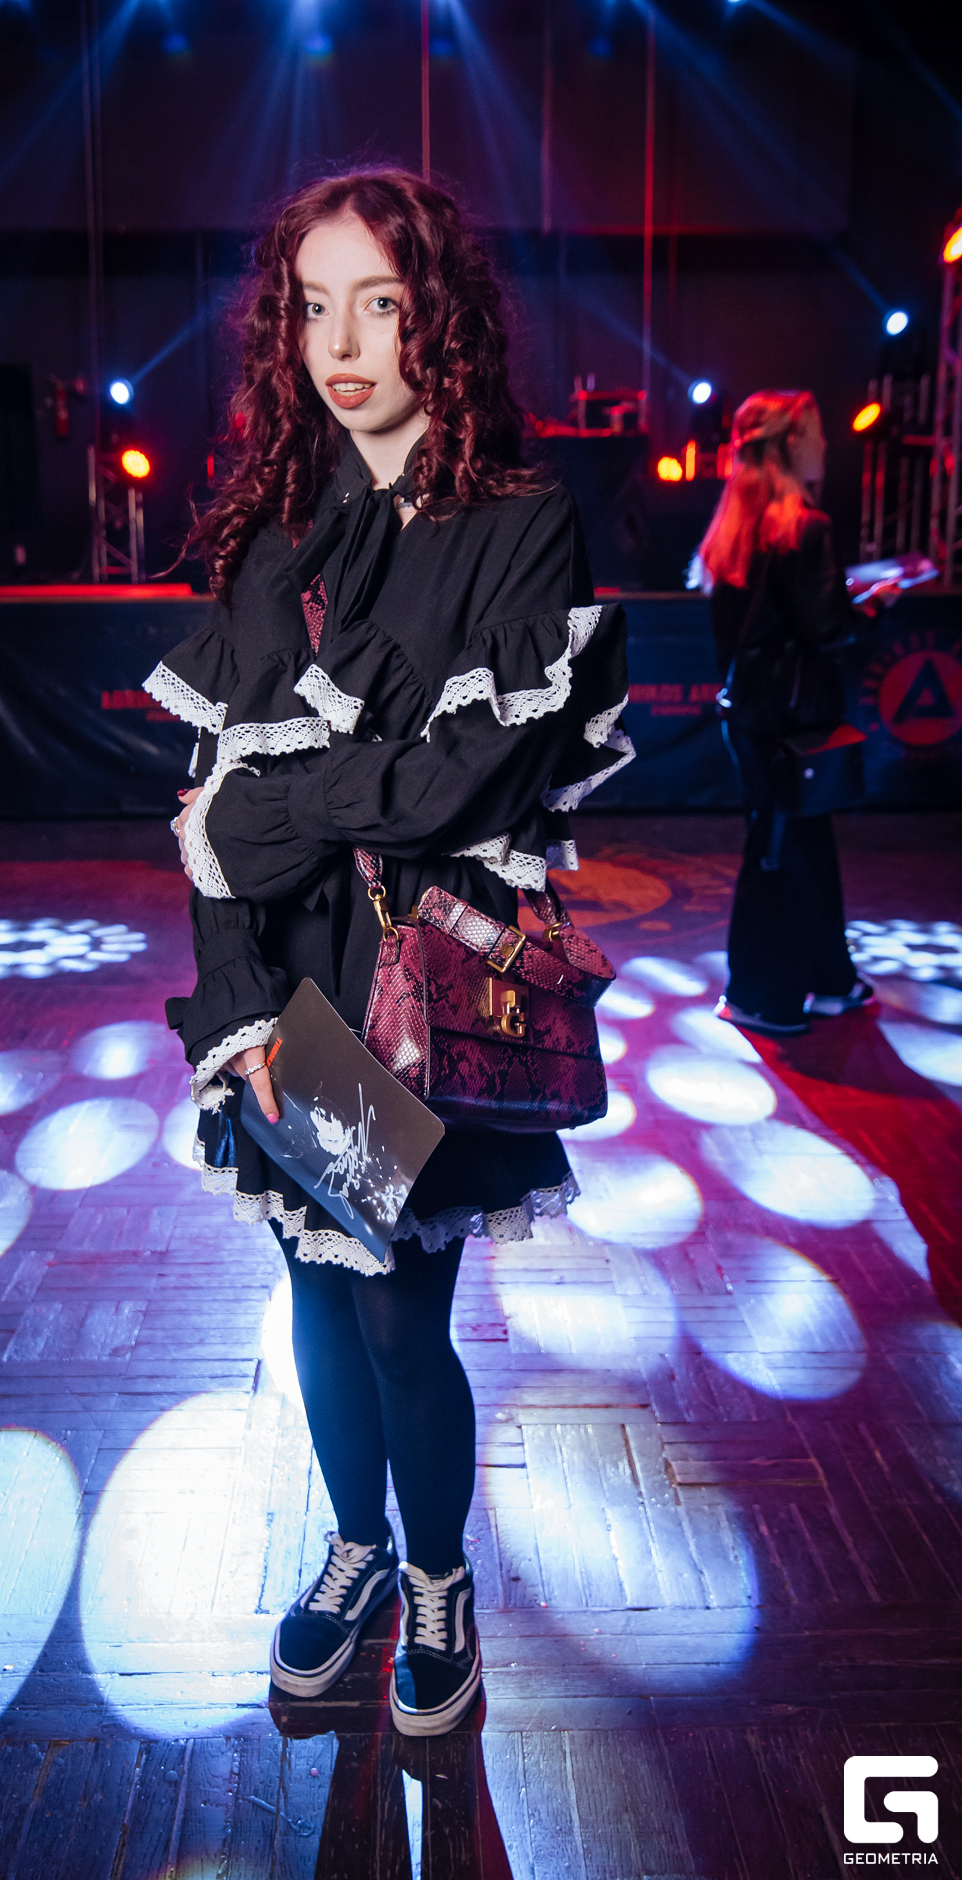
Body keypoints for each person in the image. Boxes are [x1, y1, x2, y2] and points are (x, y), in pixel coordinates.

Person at [152, 169, 631, 1736]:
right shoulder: (271, 535)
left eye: (378, 302)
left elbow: (458, 790)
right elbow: (211, 821)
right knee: (309, 1276)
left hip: (413, 987)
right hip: (286, 987)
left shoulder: (518, 523)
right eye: (313, 307)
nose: (342, 344)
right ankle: (357, 1549)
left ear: (441, 317)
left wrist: (273, 804)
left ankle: (435, 1575)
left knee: (394, 1318)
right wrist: (235, 1008)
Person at [692, 389, 879, 1035]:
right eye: (816, 431)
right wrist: (872, 608)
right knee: (780, 850)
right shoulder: (804, 527)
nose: (826, 443)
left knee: (798, 843)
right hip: (794, 721)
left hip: (752, 715)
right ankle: (761, 995)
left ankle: (830, 979)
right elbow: (827, 630)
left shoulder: (736, 529)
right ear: (790, 443)